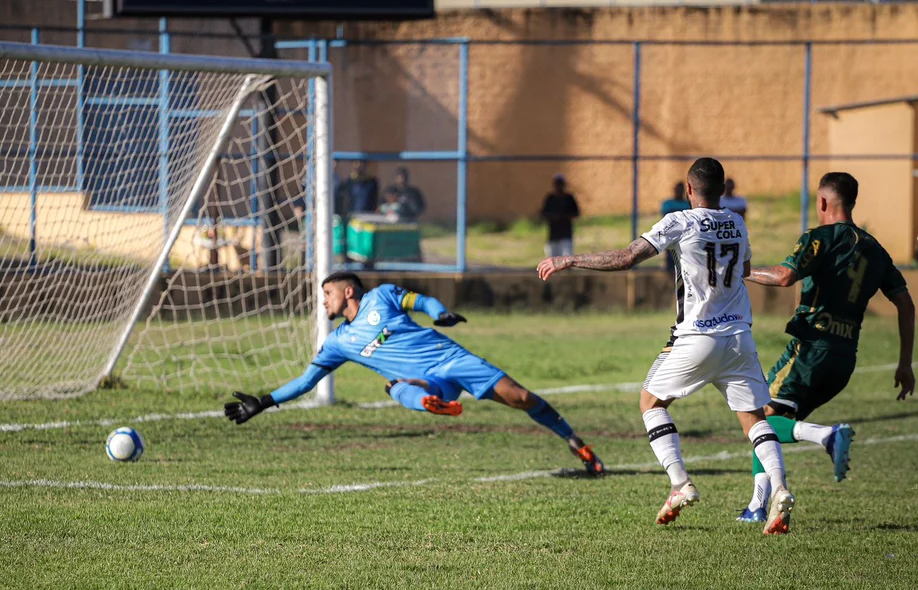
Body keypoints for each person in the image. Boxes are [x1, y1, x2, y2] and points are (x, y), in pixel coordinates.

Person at [537, 157, 795, 535]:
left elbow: (627, 257)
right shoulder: (737, 222)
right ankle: (781, 488)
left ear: (688, 189)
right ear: (723, 190)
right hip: (739, 337)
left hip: (697, 336)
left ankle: (680, 484)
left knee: (650, 402)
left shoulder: (679, 220)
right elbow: (742, 272)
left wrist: (570, 258)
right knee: (755, 418)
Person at [224, 272, 606, 476]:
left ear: (349, 291)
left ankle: (575, 441)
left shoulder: (383, 296)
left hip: (453, 359)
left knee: (523, 399)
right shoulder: (338, 343)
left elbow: (421, 301)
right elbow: (307, 382)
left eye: (327, 294)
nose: (323, 301)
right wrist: (265, 400)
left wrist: (439, 313)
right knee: (397, 385)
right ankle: (432, 403)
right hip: (426, 381)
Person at [734, 172, 914, 524]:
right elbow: (907, 305)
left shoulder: (820, 237)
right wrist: (905, 363)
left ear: (822, 202)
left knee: (757, 418)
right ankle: (758, 506)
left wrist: (740, 270)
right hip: (845, 358)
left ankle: (826, 436)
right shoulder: (875, 249)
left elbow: (785, 277)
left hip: (810, 348)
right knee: (771, 417)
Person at [540, 174, 580, 257]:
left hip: (566, 233)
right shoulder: (550, 199)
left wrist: (564, 216)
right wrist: (553, 217)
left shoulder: (568, 198)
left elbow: (576, 213)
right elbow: (543, 213)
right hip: (553, 234)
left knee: (566, 258)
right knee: (552, 259)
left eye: (560, 184)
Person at [660, 182, 691, 272]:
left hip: (684, 235)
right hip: (671, 234)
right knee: (670, 256)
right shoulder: (668, 203)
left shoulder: (687, 204)